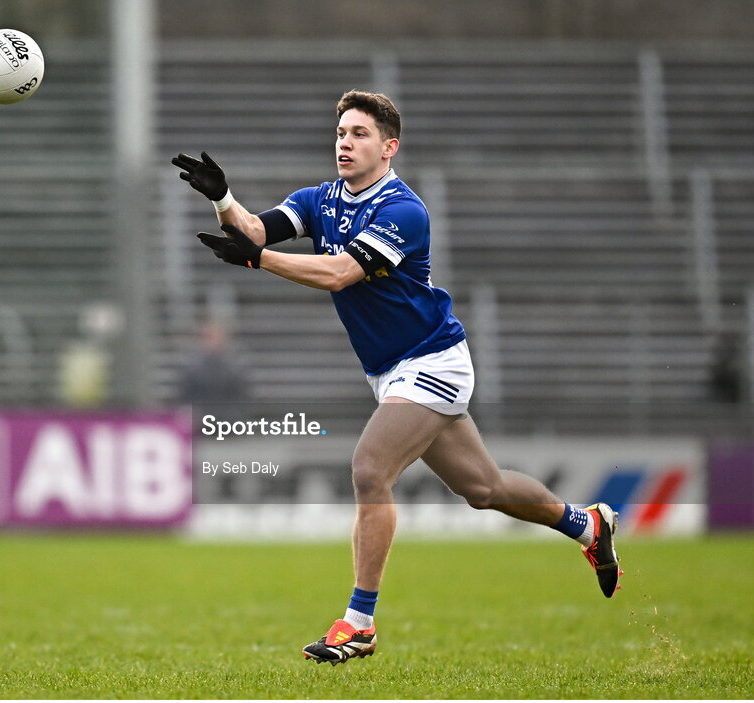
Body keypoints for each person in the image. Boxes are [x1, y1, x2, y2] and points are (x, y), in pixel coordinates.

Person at [172, 90, 622, 666]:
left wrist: (257, 260)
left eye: (359, 134)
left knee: (369, 469)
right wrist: (225, 200)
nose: (344, 142)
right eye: (340, 132)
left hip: (432, 360)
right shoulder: (320, 199)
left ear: (389, 147)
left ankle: (359, 623)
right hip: (391, 372)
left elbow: (339, 273)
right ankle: (589, 526)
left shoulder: (403, 211)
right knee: (483, 489)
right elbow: (255, 232)